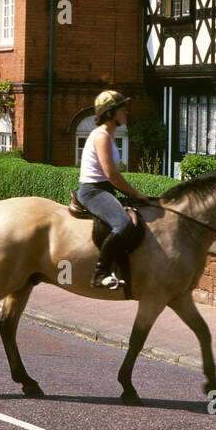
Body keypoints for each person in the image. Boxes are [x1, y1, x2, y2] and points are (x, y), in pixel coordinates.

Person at [78, 90, 145, 290]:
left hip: (104, 189)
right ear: (110, 113)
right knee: (124, 224)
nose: (126, 112)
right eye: (122, 109)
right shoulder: (102, 136)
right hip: (93, 191)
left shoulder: (110, 135)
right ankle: (100, 273)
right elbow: (112, 175)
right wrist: (136, 194)